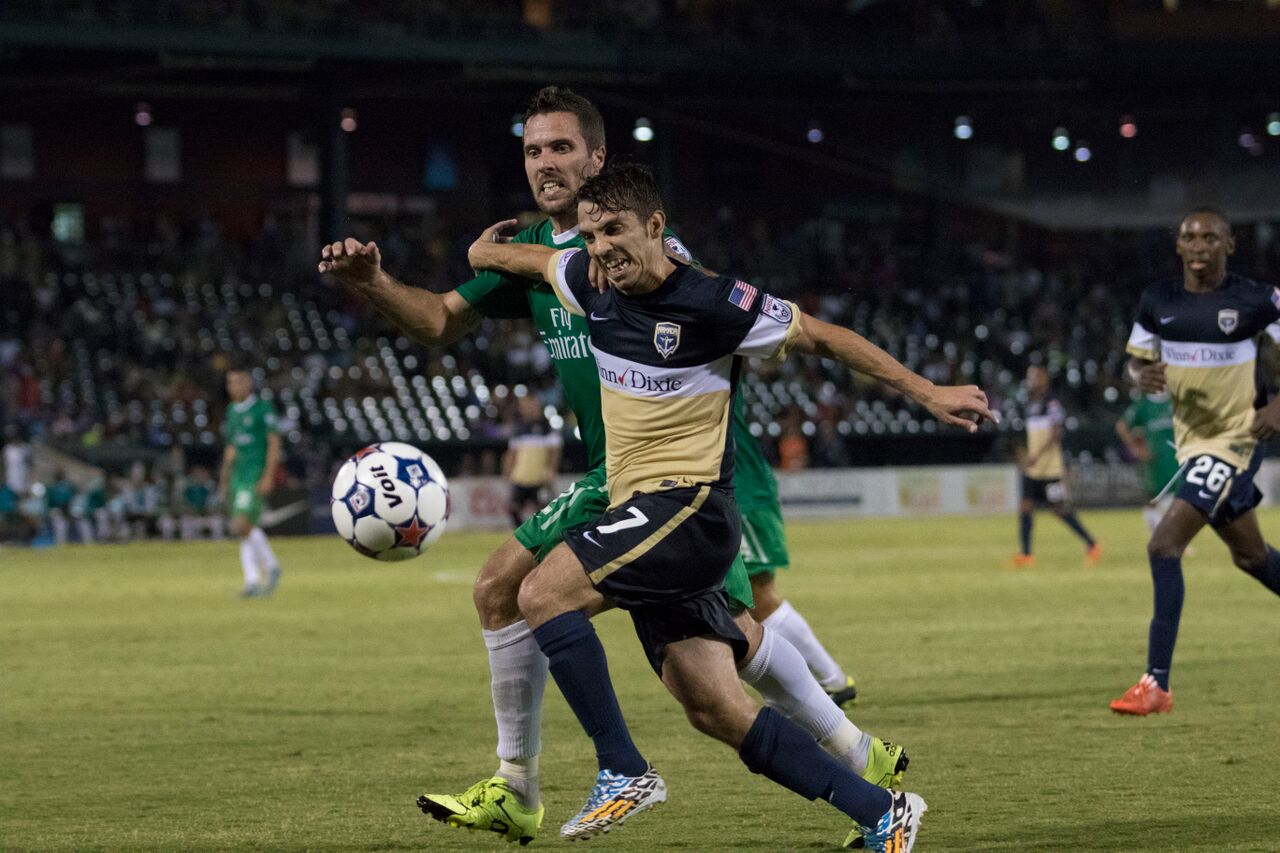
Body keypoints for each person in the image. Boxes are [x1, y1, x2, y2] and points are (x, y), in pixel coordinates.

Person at [319, 86, 903, 846]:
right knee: (717, 671)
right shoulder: (543, 257)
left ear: (598, 160)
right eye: (533, 150)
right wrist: (376, 286)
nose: (545, 163)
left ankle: (566, 779)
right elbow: (436, 319)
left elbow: (713, 319)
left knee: (540, 593)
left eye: (562, 148)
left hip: (674, 477)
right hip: (617, 476)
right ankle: (866, 773)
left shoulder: (633, 249)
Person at [466, 162, 996, 851]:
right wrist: (483, 253)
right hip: (649, 520)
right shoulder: (589, 282)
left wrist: (928, 392)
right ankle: (882, 812)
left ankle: (622, 768)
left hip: (690, 510)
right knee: (714, 706)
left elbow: (826, 337)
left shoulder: (718, 303)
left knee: (541, 592)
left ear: (656, 226)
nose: (602, 249)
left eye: (616, 231)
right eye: (592, 236)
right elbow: (542, 260)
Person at [1111, 207, 1280, 716]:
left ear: (1229, 245)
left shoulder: (1257, 299)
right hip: (1193, 444)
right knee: (1251, 557)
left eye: (1211, 236)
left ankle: (1155, 684)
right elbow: (1137, 361)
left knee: (1164, 545)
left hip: (1238, 439)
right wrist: (1140, 375)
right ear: (1179, 246)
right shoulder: (1157, 301)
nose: (1200, 244)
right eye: (1190, 236)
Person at [1011, 365, 1101, 568]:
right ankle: (1026, 554)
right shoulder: (1029, 404)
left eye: (1035, 376)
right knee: (1025, 507)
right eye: (1029, 376)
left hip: (1050, 468)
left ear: (1045, 378)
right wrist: (1027, 455)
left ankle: (1092, 543)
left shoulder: (1051, 403)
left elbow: (1054, 434)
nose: (1031, 380)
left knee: (1059, 508)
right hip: (1033, 468)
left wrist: (1035, 455)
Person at [218, 368, 283, 597]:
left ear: (248, 384)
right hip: (237, 475)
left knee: (241, 523)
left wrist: (268, 476)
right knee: (245, 529)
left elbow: (274, 443)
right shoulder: (231, 411)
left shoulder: (262, 409)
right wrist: (224, 479)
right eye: (229, 382)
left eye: (237, 382)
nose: (232, 387)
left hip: (254, 474)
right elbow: (231, 448)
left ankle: (264, 571)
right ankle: (259, 577)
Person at [1115, 390, 1180, 536]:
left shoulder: (1175, 400)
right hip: (1154, 460)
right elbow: (1122, 426)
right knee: (1153, 498)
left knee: (1176, 497)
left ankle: (1171, 536)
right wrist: (1135, 448)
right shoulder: (1143, 404)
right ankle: (1157, 535)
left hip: (1176, 458)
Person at [503, 392, 562, 528]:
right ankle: (520, 532)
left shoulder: (546, 426)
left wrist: (551, 470)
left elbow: (554, 451)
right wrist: (507, 470)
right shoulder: (519, 427)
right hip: (521, 476)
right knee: (513, 508)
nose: (525, 408)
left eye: (528, 405)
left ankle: (541, 534)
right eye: (522, 406)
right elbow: (512, 452)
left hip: (539, 476)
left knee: (542, 508)